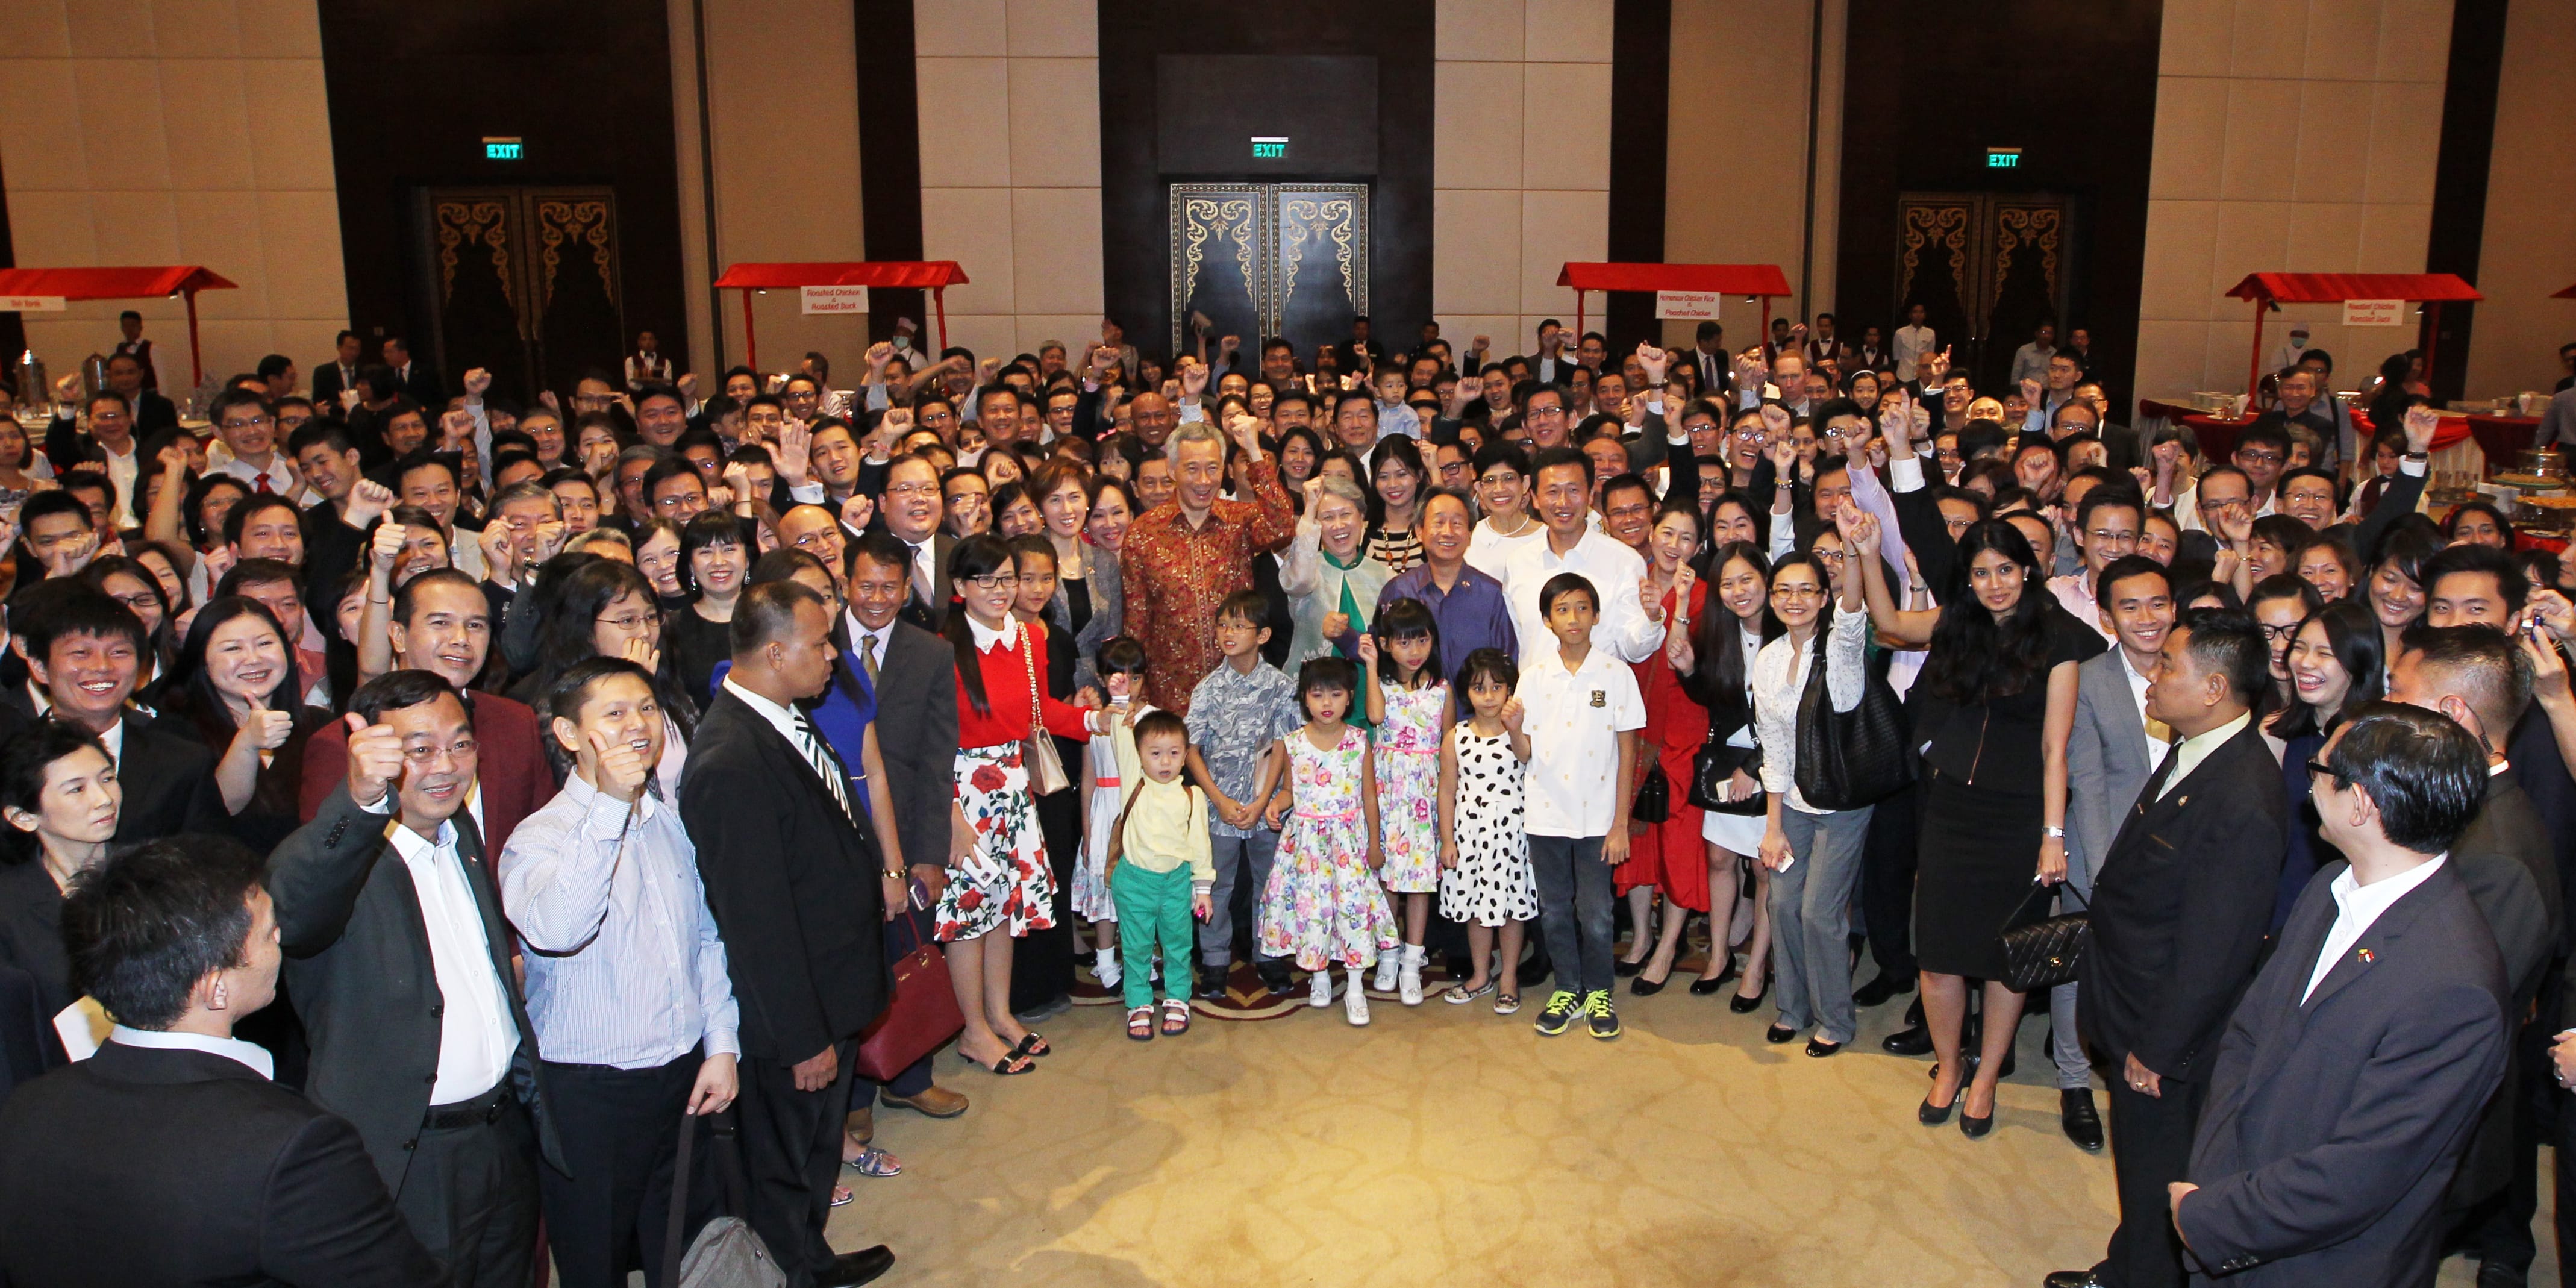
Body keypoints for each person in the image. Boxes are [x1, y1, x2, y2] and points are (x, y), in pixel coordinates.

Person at [0, 835, 445, 1287]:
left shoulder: (28, 1108)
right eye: (269, 932)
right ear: (216, 988)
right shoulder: (293, 1148)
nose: (280, 938)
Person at [2171, 703, 2509, 1284]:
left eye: (2320, 773)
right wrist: (2216, 1171)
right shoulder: (2329, 886)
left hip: (2318, 1263)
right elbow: (2250, 1036)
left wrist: (2211, 1216)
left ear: (2360, 803)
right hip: (2235, 1201)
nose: (2308, 790)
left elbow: (2363, 1172)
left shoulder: (2456, 988)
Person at [269, 669, 565, 1286]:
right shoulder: (345, 858)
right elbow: (291, 914)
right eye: (418, 748)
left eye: (460, 743)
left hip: (498, 1136)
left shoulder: (460, 833)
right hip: (410, 1153)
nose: (446, 765)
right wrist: (357, 801)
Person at [2052, 608, 2284, 1288]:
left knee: (2160, 1167)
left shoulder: (2241, 794)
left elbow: (2218, 945)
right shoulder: (2196, 747)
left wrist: (2159, 1047)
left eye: (2168, 665)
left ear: (2214, 688)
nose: (2152, 675)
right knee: (2142, 1165)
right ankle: (2129, 1261)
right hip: (2130, 998)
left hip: (2163, 1028)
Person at [677, 581, 897, 1288]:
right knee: (781, 1162)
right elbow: (756, 921)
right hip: (793, 1015)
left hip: (831, 985)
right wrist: (803, 1037)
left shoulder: (779, 716)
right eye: (820, 643)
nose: (833, 655)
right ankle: (787, 1270)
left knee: (810, 1153)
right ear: (775, 652)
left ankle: (810, 1257)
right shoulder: (729, 760)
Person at [1852, 517, 2104, 1134]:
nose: (1994, 584)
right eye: (1981, 573)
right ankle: (1948, 1064)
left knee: (2002, 960)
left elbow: (2055, 748)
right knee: (1937, 957)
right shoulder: (1957, 624)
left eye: (2005, 570)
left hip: (2019, 818)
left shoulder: (2062, 638)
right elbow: (1888, 623)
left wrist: (2052, 835)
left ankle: (1987, 1074)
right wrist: (1866, 553)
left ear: (2027, 570)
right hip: (1950, 809)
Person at [502, 657, 740, 1288]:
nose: (638, 724)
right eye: (614, 713)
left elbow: (705, 940)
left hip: (682, 1070)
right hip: (590, 1087)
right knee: (594, 1255)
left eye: (646, 708)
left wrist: (720, 1044)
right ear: (569, 734)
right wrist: (608, 804)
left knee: (683, 1247)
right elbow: (559, 928)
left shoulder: (664, 819)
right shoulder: (538, 837)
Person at [936, 536, 1107, 1069]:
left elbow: (1041, 717)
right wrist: (951, 817)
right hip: (964, 792)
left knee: (1007, 908)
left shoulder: (1031, 638)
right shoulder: (941, 647)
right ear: (961, 588)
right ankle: (974, 1030)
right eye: (985, 579)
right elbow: (927, 742)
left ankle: (1001, 1015)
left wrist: (1092, 721)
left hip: (1012, 784)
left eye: (1007, 578)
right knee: (970, 916)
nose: (1000, 589)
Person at [2059, 556, 2176, 1152]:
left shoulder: (2196, 673)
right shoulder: (2087, 679)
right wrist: (2108, 880)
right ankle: (2073, 1080)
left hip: (2176, 855)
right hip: (2102, 854)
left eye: (2157, 602)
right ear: (2107, 615)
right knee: (2079, 971)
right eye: (2129, 606)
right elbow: (2090, 783)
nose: (2146, 617)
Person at [1516, 572, 1645, 1041]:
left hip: (1598, 818)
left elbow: (1628, 750)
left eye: (1582, 608)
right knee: (1553, 909)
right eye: (1562, 610)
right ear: (1548, 621)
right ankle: (1567, 988)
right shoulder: (1533, 678)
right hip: (1545, 814)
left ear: (1595, 614)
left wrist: (1620, 824)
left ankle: (1599, 991)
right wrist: (1514, 728)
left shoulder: (1616, 675)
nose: (1573, 618)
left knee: (1596, 912)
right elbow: (1525, 752)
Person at [1119, 414, 1293, 713]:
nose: (1204, 481)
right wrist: (1137, 692)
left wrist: (1253, 450)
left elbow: (1282, 525)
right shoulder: (1143, 533)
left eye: (1212, 469)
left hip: (1238, 690)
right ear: (1172, 470)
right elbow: (1137, 623)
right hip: (1171, 697)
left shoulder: (1238, 520)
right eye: (1192, 469)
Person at [1255, 655, 1395, 1025]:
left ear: (1350, 697)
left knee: (1351, 911)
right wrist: (1276, 807)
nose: (1327, 703)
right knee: (1312, 910)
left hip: (1347, 843)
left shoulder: (1358, 741)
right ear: (1305, 699)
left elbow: (1369, 796)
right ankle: (1318, 976)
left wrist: (1375, 844)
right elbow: (1290, 790)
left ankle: (1354, 986)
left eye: (1336, 694)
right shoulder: (1292, 743)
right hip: (1306, 845)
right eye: (1318, 695)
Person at [1670, 540, 1780, 1004]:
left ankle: (1756, 966)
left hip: (1774, 765)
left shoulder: (1788, 629)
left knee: (1763, 867)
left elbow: (1788, 714)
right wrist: (1690, 671)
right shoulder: (1721, 632)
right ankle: (1719, 955)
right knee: (1719, 859)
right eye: (1728, 584)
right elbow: (1715, 699)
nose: (1738, 592)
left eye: (1746, 580)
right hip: (1725, 761)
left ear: (1766, 579)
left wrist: (1755, 769)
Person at [1184, 589, 1302, 996]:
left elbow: (1287, 744)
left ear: (1264, 634)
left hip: (1266, 807)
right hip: (1221, 807)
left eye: (1239, 625)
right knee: (1214, 884)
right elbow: (1191, 748)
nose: (1228, 633)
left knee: (1269, 881)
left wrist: (1265, 800)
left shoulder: (1281, 686)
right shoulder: (1208, 688)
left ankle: (1269, 953)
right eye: (1223, 625)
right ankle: (1215, 959)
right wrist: (1217, 799)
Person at [1615, 504, 1711, 993]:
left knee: (1678, 841)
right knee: (1635, 837)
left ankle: (1670, 945)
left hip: (1684, 730)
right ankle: (1641, 936)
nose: (1674, 545)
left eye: (1687, 538)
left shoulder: (1706, 597)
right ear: (1652, 533)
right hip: (1635, 726)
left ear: (1699, 547)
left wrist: (1680, 603)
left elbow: (1686, 662)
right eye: (1667, 533)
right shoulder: (1629, 581)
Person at [0, 721, 121, 1048]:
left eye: (108, 778)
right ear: (23, 817)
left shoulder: (163, 878)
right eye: (76, 789)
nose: (104, 799)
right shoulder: (8, 907)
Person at [1435, 647, 1537, 1011]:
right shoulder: (1456, 737)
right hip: (1470, 834)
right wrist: (1448, 839)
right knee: (1476, 908)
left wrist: (1516, 728)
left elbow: (1526, 757)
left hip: (1511, 833)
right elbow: (1447, 789)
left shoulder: (1517, 731)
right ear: (1467, 693)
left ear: (1510, 690)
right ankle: (1481, 974)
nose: (1490, 696)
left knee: (1510, 908)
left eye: (1498, 687)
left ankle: (1509, 976)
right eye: (1480, 688)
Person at [1357, 598, 1449, 1005]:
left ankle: (1413, 960)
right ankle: (1389, 953)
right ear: (1387, 644)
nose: (1414, 651)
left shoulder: (1441, 690)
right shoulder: (1385, 686)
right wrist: (1373, 666)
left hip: (1426, 797)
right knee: (1386, 878)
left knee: (1419, 883)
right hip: (1390, 793)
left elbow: (1448, 749)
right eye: (1404, 642)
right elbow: (1375, 718)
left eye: (1422, 640)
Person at [1105, 708, 1213, 1040]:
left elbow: (1200, 845)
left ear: (1185, 756)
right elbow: (1121, 734)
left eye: (1174, 753)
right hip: (1135, 882)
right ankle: (1138, 1003)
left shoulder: (1192, 796)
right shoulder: (1134, 784)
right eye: (1155, 754)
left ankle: (1178, 998)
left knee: (1177, 944)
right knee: (1136, 947)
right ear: (1139, 757)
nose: (1165, 762)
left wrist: (1204, 888)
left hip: (1176, 882)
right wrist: (1122, 701)